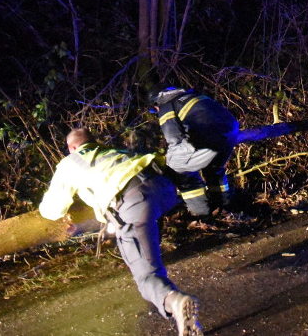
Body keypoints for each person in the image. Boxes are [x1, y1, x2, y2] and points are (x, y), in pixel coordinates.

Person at [39, 128, 203, 335]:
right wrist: (81, 227)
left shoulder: (69, 164)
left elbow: (52, 209)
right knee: (135, 224)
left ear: (72, 148)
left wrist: (46, 215)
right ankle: (185, 318)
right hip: (162, 188)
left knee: (146, 275)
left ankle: (175, 301)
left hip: (134, 202)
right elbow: (110, 210)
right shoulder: (113, 153)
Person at [149, 85, 240, 217]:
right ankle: (224, 206)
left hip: (207, 140)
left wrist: (169, 158)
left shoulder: (167, 106)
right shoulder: (194, 96)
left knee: (177, 168)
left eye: (154, 109)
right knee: (214, 169)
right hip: (230, 134)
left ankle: (201, 212)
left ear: (156, 102)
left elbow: (174, 139)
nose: (156, 111)